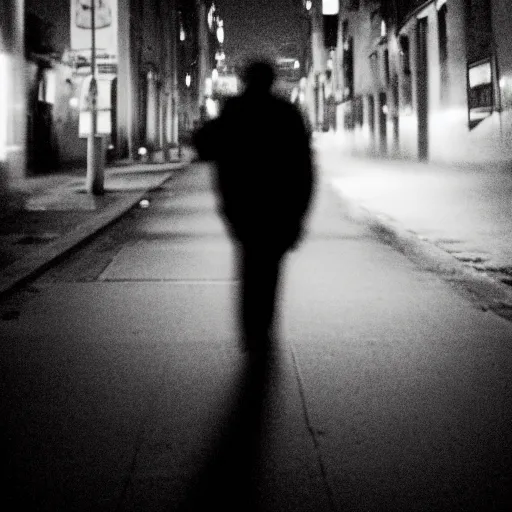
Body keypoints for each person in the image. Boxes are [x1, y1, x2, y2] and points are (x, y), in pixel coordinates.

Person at [193, 58, 315, 352]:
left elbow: (204, 147)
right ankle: (264, 328)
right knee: (270, 270)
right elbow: (304, 168)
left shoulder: (234, 111)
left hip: (242, 206)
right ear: (271, 81)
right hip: (279, 209)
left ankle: (251, 330)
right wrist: (300, 213)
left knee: (249, 266)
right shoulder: (287, 113)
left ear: (244, 80)